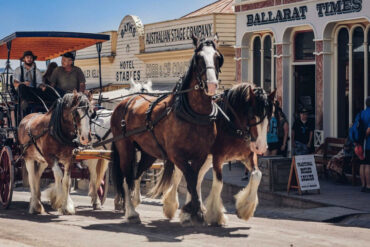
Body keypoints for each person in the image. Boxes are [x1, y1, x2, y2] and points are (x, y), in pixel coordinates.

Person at [358, 97, 370, 192]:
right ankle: (369, 186)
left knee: (362, 164)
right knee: (368, 164)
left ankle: (363, 185)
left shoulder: (362, 113)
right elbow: (369, 129)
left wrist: (361, 139)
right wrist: (365, 137)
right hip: (368, 143)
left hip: (361, 144)